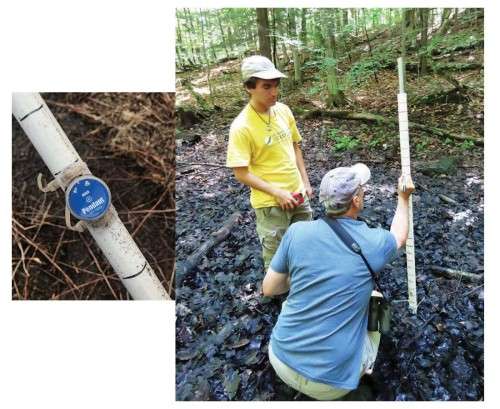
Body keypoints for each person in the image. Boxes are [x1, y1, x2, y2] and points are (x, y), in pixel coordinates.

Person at [262, 164, 415, 400]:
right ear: (356, 200)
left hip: (280, 360)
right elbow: (399, 236)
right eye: (362, 190)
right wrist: (403, 198)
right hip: (331, 386)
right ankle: (364, 368)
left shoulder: (296, 232)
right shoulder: (373, 242)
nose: (364, 192)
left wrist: (309, 277)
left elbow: (270, 288)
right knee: (376, 301)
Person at [226, 55, 313, 270]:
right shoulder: (242, 126)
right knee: (278, 260)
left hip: (298, 195)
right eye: (266, 86)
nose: (274, 92)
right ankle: (279, 298)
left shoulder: (283, 110)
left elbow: (295, 146)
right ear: (249, 87)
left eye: (276, 85)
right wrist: (277, 192)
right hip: (271, 205)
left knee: (305, 248)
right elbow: (241, 173)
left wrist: (305, 182)